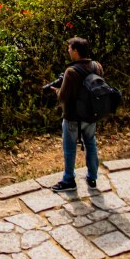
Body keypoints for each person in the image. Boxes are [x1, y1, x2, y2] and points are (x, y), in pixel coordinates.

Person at [50, 37, 103, 192]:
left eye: (69, 48)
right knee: (91, 144)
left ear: (75, 51)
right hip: (91, 115)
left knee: (69, 148)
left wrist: (56, 90)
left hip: (73, 117)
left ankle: (68, 180)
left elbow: (63, 97)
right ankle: (92, 177)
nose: (68, 51)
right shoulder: (96, 66)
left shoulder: (71, 71)